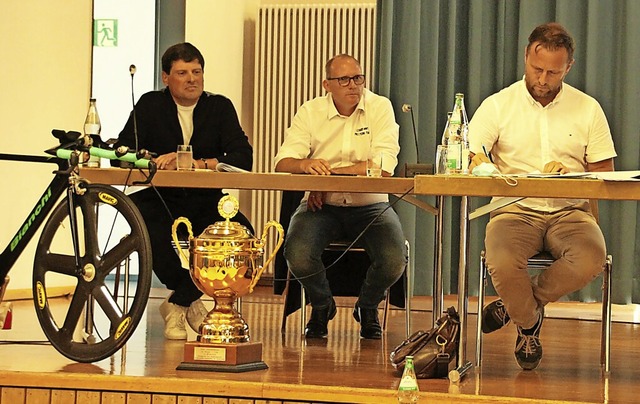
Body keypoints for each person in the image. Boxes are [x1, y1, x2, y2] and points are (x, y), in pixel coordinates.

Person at [468, 23, 616, 370]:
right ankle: (530, 324)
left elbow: (605, 175)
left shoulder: (588, 108)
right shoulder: (498, 105)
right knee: (502, 261)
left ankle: (514, 305)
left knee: (592, 258)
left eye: (553, 71)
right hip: (513, 209)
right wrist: (490, 169)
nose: (543, 78)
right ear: (525, 57)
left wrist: (575, 176)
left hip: (571, 211)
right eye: (537, 69)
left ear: (569, 67)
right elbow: (470, 155)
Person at [114, 42, 254, 340]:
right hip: (160, 197)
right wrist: (150, 160)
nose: (192, 79)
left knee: (246, 236)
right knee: (156, 237)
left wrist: (198, 164)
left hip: (206, 199)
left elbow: (243, 158)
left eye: (197, 72)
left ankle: (179, 302)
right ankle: (186, 302)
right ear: (166, 77)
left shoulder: (219, 106)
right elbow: (120, 153)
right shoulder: (151, 104)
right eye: (182, 73)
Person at [274, 54, 408, 339]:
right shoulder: (310, 111)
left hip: (371, 205)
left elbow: (383, 167)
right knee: (296, 253)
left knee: (394, 258)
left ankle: (367, 306)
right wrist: (305, 165)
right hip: (322, 207)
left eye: (358, 78)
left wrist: (328, 178)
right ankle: (322, 306)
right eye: (344, 79)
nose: (353, 85)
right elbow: (283, 161)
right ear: (327, 85)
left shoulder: (380, 107)